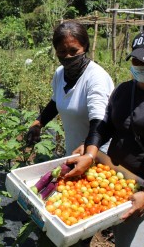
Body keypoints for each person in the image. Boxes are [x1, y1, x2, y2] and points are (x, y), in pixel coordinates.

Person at [64, 28, 144, 246]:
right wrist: (90, 151)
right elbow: (104, 126)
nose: (140, 67)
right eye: (136, 60)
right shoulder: (124, 89)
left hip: (143, 185)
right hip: (111, 176)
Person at [26, 21, 114, 162]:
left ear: (85, 47)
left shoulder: (96, 77)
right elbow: (56, 102)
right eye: (62, 52)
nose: (68, 56)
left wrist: (89, 152)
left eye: (74, 51)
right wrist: (38, 124)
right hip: (73, 151)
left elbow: (99, 121)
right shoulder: (60, 73)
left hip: (98, 153)